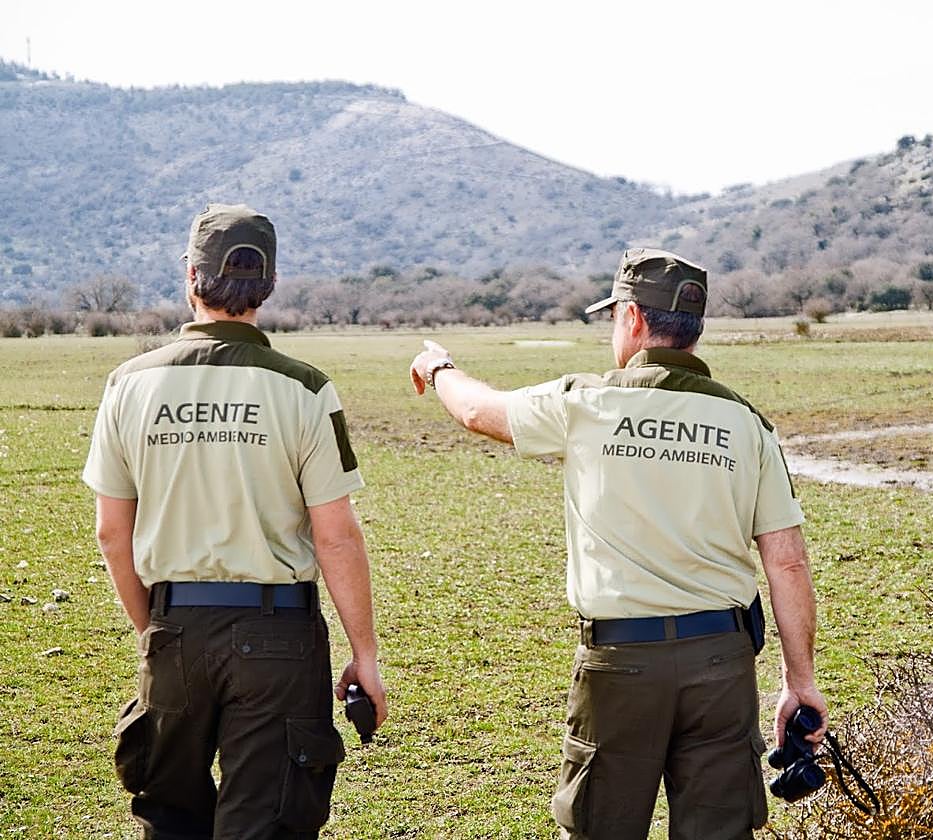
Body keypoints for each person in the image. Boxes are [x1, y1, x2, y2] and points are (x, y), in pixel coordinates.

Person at [409, 247, 826, 839]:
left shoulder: (586, 401)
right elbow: (786, 560)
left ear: (631, 318)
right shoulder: (747, 423)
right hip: (721, 663)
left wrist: (439, 368)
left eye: (613, 319)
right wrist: (799, 681)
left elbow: (478, 411)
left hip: (620, 664)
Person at [83, 203, 387, 839]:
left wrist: (155, 628)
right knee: (268, 821)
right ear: (268, 286)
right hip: (280, 635)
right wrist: (364, 655)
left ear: (190, 278)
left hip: (174, 628)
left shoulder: (128, 384)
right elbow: (336, 534)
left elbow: (113, 532)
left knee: (171, 818)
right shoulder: (305, 388)